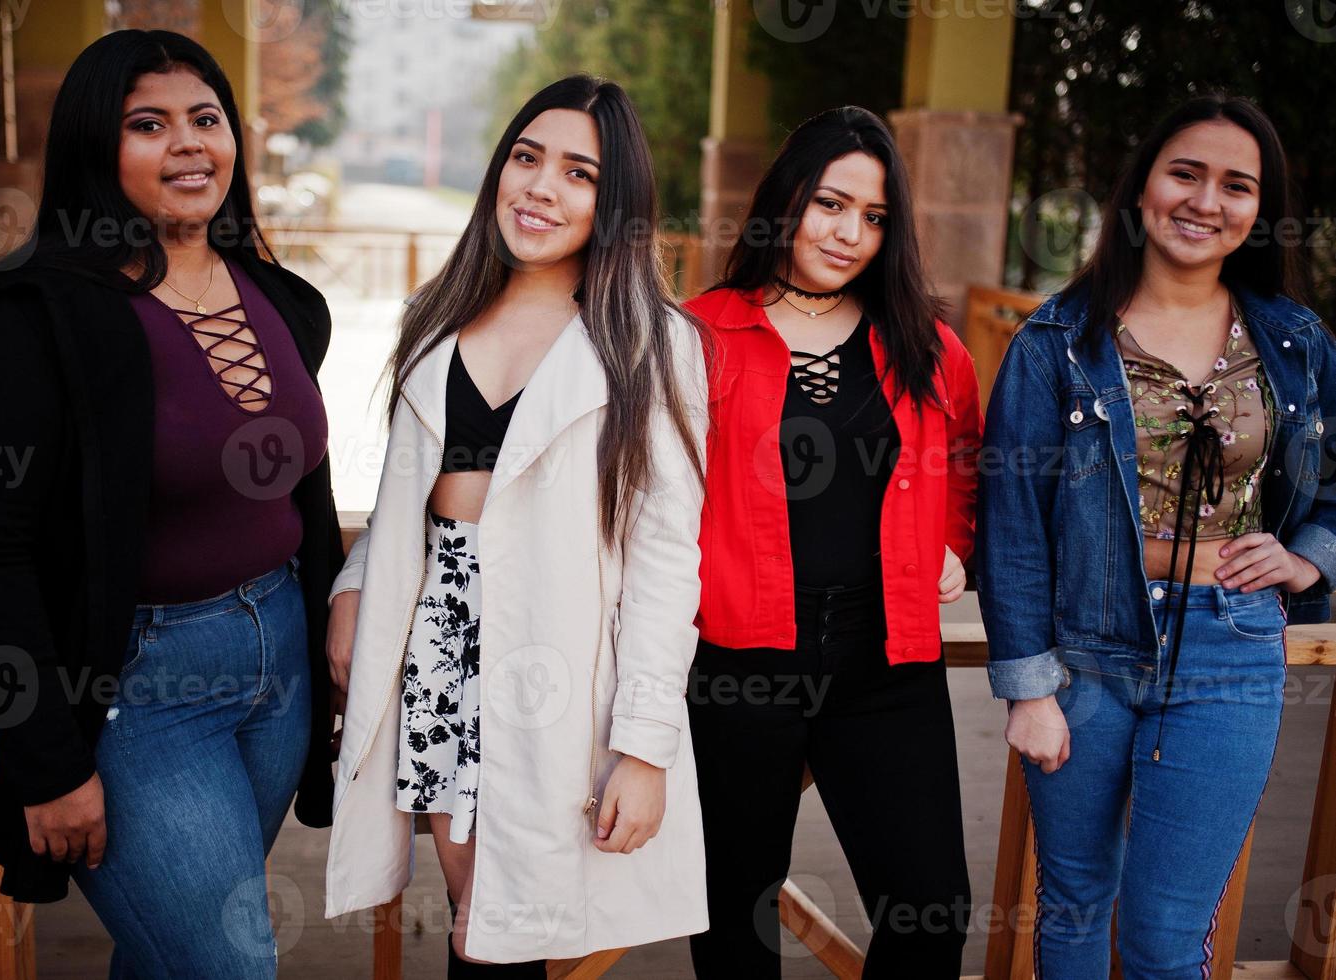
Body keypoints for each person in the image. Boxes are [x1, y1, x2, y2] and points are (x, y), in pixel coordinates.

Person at [0, 30, 341, 978]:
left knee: (170, 960)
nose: (189, 144)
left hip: (277, 661)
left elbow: (303, 493)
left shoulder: (282, 300)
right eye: (147, 124)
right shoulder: (25, 320)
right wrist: (45, 758)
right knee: (232, 965)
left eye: (206, 119)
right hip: (133, 693)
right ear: (93, 148)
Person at [322, 75, 710, 973]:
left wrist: (644, 749)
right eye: (527, 159)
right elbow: (405, 504)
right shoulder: (438, 316)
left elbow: (663, 555)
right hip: (437, 639)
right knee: (472, 913)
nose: (540, 187)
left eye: (579, 173)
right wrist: (350, 587)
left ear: (615, 205)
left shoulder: (654, 342)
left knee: (501, 936)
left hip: (555, 661)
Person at [978, 94, 1336, 977]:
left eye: (1235, 185)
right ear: (1141, 186)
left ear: (1260, 210)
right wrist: (1026, 688)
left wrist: (1306, 559)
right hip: (1083, 656)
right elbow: (1013, 527)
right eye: (1185, 172)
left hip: (1232, 645)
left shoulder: (1295, 344)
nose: (1205, 201)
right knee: (1068, 907)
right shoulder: (1054, 342)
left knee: (1167, 933)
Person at [683, 106, 981, 979]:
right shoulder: (695, 335)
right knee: (736, 919)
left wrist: (952, 539)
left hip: (886, 664)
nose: (850, 233)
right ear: (785, 201)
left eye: (875, 216)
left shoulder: (927, 346)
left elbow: (965, 462)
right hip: (736, 664)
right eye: (829, 204)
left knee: (930, 915)